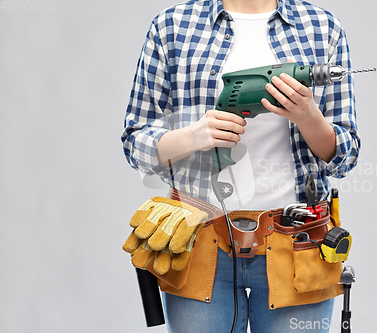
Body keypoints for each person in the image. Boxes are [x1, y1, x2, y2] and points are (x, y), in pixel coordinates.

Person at [122, 0, 360, 331]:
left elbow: (345, 156)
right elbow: (136, 143)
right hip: (197, 241)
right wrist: (195, 135)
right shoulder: (171, 26)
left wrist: (307, 116)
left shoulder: (322, 27)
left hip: (298, 244)